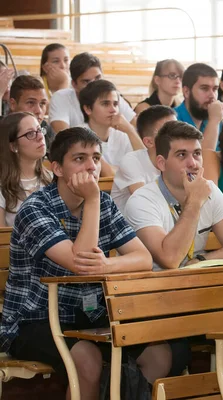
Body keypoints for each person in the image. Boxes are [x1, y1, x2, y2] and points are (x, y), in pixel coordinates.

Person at [0, 127, 172, 399]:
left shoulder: (103, 202)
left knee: (158, 354)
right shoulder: (34, 209)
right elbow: (79, 264)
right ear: (57, 168)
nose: (91, 166)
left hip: (89, 315)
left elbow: (143, 258)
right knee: (88, 359)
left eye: (95, 157)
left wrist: (105, 266)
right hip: (34, 321)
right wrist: (91, 200)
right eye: (79, 159)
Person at [124, 120, 223, 271]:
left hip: (197, 283)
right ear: (161, 163)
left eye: (197, 154)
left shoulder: (209, 189)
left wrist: (201, 260)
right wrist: (194, 203)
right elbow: (170, 260)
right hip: (155, 289)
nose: (193, 164)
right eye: (182, 155)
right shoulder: (142, 201)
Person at [49, 52, 137, 134]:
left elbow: (136, 128)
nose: (95, 85)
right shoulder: (61, 98)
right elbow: (64, 138)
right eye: (86, 81)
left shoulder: (112, 98)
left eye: (98, 78)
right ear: (74, 85)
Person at [111, 105, 177, 211]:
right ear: (149, 142)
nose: (178, 135)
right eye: (169, 132)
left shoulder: (179, 161)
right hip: (129, 226)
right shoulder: (131, 161)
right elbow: (145, 203)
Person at [0, 112, 52, 226]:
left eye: (39, 130)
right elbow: (1, 239)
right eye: (30, 134)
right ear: (13, 146)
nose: (40, 137)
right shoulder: (2, 187)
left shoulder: (53, 179)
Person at [79, 79, 142, 169]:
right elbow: (108, 173)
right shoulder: (79, 136)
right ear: (88, 109)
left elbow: (145, 166)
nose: (113, 110)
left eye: (115, 104)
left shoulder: (123, 134)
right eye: (105, 104)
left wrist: (130, 130)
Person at [9, 75, 56, 150]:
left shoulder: (46, 130)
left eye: (42, 104)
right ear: (13, 104)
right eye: (31, 103)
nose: (39, 111)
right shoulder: (2, 131)